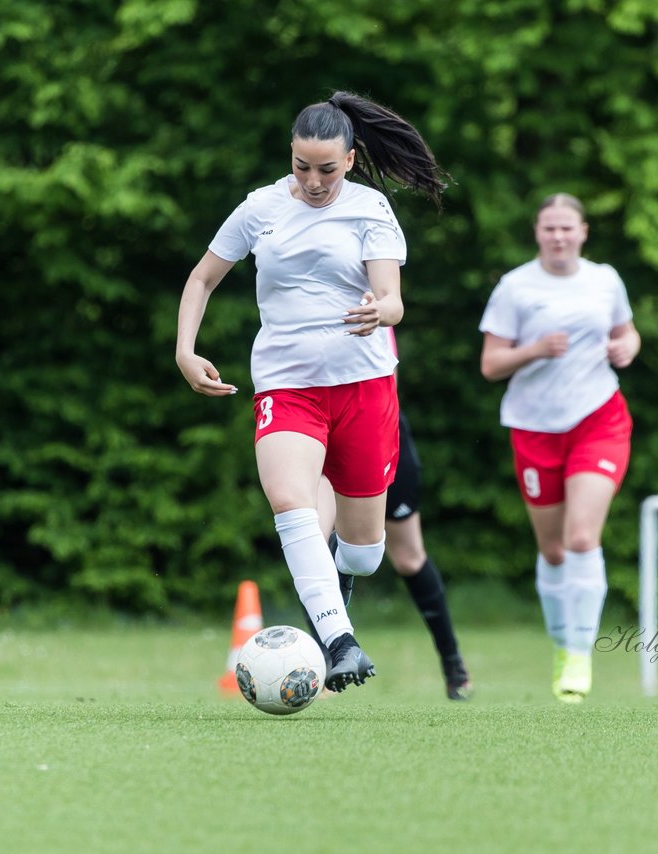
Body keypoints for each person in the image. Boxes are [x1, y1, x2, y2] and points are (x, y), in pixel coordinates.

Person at [176, 91, 447, 692]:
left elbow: (394, 298)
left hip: (365, 387)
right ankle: (339, 639)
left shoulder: (371, 208)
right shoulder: (260, 208)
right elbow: (202, 278)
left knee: (364, 552)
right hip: (287, 383)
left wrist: (383, 310)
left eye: (327, 168)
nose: (314, 180)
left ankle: (341, 585)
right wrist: (185, 349)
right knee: (289, 501)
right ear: (290, 156)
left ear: (351, 160)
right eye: (303, 166)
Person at [478, 193, 640, 704]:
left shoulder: (605, 279)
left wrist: (626, 348)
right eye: (549, 228)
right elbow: (490, 365)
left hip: (599, 418)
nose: (559, 236)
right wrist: (534, 350)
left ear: (584, 231)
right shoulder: (516, 287)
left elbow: (627, 333)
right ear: (537, 233)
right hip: (534, 426)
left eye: (567, 227)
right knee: (551, 549)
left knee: (581, 536)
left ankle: (579, 654)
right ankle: (561, 642)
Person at [313, 406, 473, 701]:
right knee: (315, 546)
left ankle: (454, 666)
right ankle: (324, 661)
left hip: (379, 434)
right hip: (321, 430)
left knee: (409, 558)